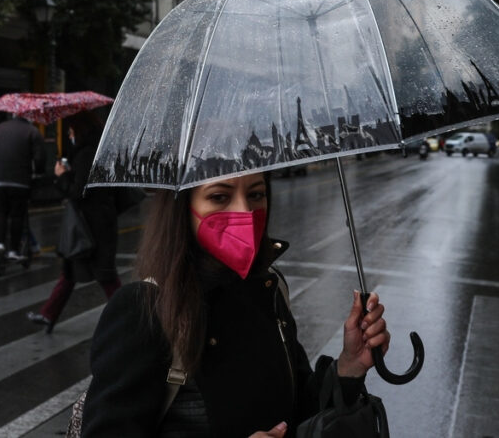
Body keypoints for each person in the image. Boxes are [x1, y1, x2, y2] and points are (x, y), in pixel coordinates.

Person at [80, 171, 391, 437]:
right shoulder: (144, 309)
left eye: (256, 194)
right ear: (183, 207)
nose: (244, 211)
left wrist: (349, 366)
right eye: (219, 197)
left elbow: (298, 410)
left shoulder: (269, 290)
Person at [27, 113, 119, 333]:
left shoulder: (87, 154)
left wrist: (61, 176)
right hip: (92, 223)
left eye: (70, 131)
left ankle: (130, 319)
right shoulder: (96, 151)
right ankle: (49, 314)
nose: (69, 136)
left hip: (91, 226)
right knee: (69, 271)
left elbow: (78, 192)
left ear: (80, 130)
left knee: (105, 276)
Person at [0, 115, 45, 260]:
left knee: (0, 212)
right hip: (20, 180)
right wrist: (38, 173)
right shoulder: (32, 132)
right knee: (17, 215)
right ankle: (13, 250)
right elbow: (39, 159)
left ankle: (0, 244)